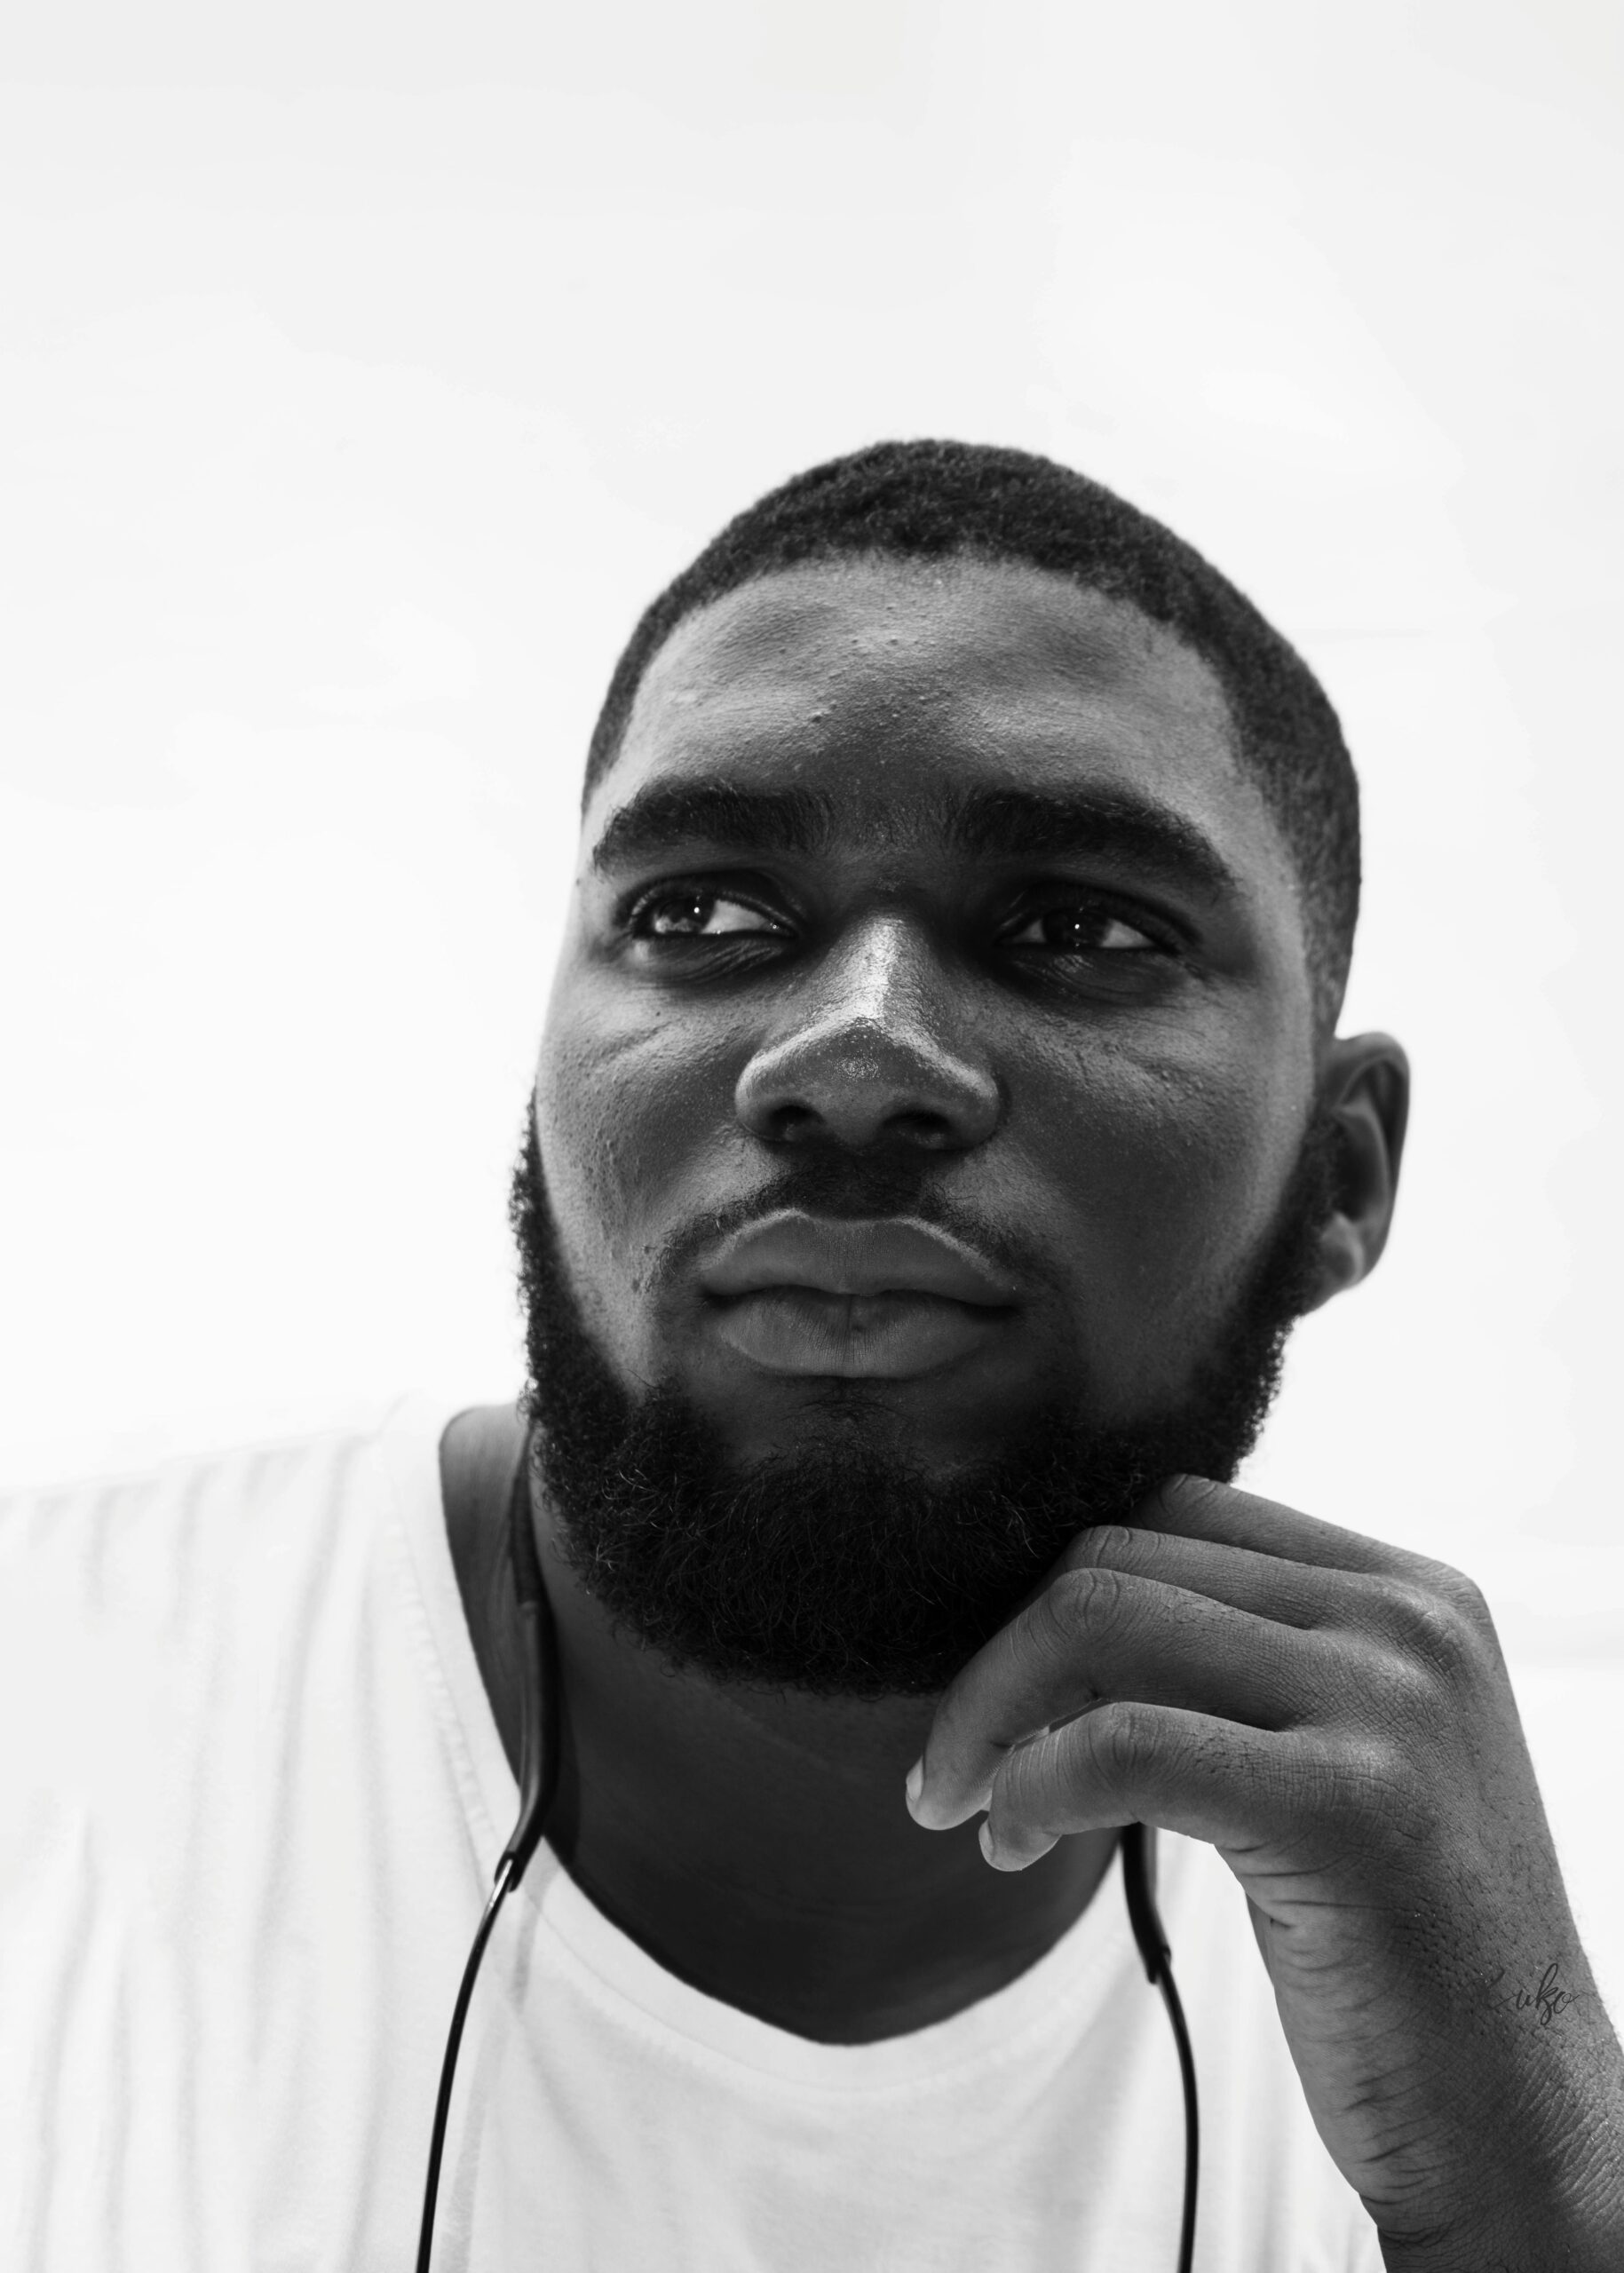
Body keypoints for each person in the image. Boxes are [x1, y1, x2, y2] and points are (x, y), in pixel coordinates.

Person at [4, 440, 1620, 2273]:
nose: (857, 1053)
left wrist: (1541, 2208)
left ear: (1341, 1172)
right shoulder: (45, 1697)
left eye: (1077, 927)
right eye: (700, 912)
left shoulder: (1520, 2007)